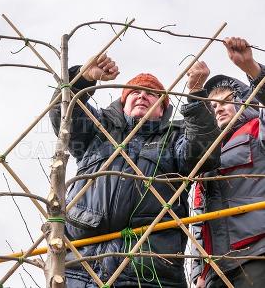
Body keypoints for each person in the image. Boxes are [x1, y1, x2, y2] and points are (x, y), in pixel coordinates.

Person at [49, 54, 221, 287]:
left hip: (149, 270)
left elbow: (203, 153)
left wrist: (196, 94)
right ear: (123, 103)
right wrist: (84, 78)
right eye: (134, 92)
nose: (142, 95)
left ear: (162, 110)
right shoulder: (98, 131)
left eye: (151, 94)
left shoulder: (174, 138)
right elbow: (64, 114)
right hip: (81, 266)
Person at [191, 37, 265, 288]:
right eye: (212, 107)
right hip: (217, 268)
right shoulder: (207, 155)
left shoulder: (257, 130)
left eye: (225, 102)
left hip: (257, 253)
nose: (218, 109)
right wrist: (199, 273)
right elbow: (199, 220)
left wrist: (251, 69)